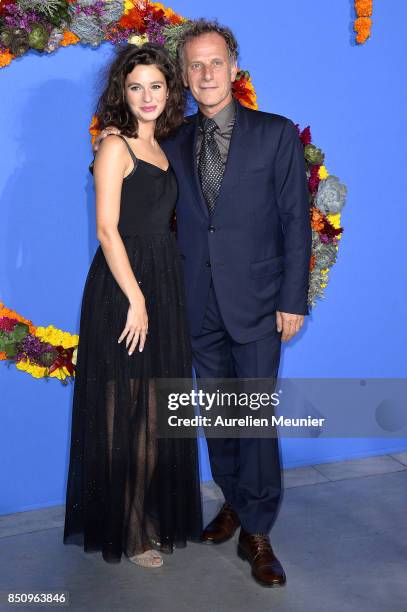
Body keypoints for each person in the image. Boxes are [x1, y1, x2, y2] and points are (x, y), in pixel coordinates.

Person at [96, 19, 312, 587]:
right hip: (192, 304)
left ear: (234, 69)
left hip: (261, 304)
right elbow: (134, 208)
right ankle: (235, 502)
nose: (206, 73)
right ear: (184, 77)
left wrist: (294, 299)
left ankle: (259, 531)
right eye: (195, 65)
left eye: (216, 62)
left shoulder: (276, 133)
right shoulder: (170, 141)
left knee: (255, 419)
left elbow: (296, 222)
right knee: (217, 416)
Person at [63, 43, 203, 569]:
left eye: (156, 86)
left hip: (161, 284)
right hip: (123, 291)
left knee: (154, 414)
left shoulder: (165, 147)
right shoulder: (114, 145)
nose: (146, 96)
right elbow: (106, 228)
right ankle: (127, 529)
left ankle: (143, 517)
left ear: (169, 92)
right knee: (123, 414)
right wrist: (137, 299)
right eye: (135, 86)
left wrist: (157, 294)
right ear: (122, 93)